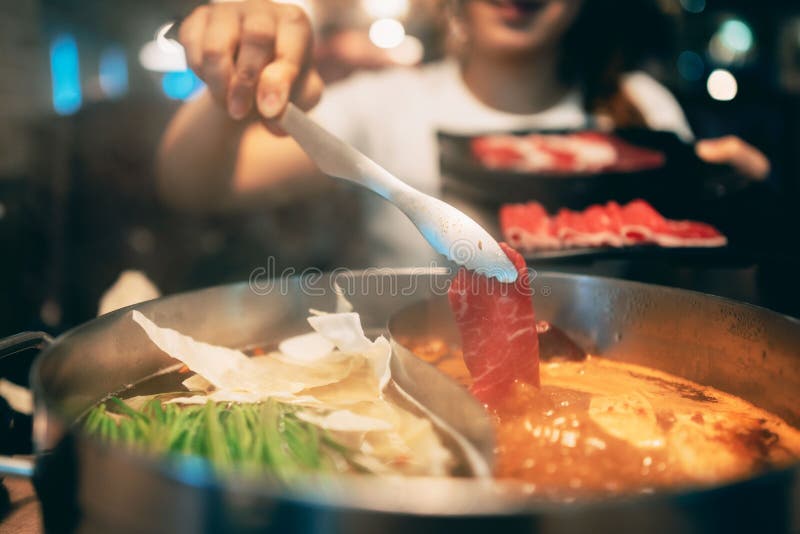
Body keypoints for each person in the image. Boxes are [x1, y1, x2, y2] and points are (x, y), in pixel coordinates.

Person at [158, 0, 771, 267]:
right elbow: (197, 186)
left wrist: (740, 209)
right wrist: (233, 78)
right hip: (406, 393)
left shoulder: (643, 107)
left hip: (604, 396)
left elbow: (689, 292)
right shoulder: (385, 104)